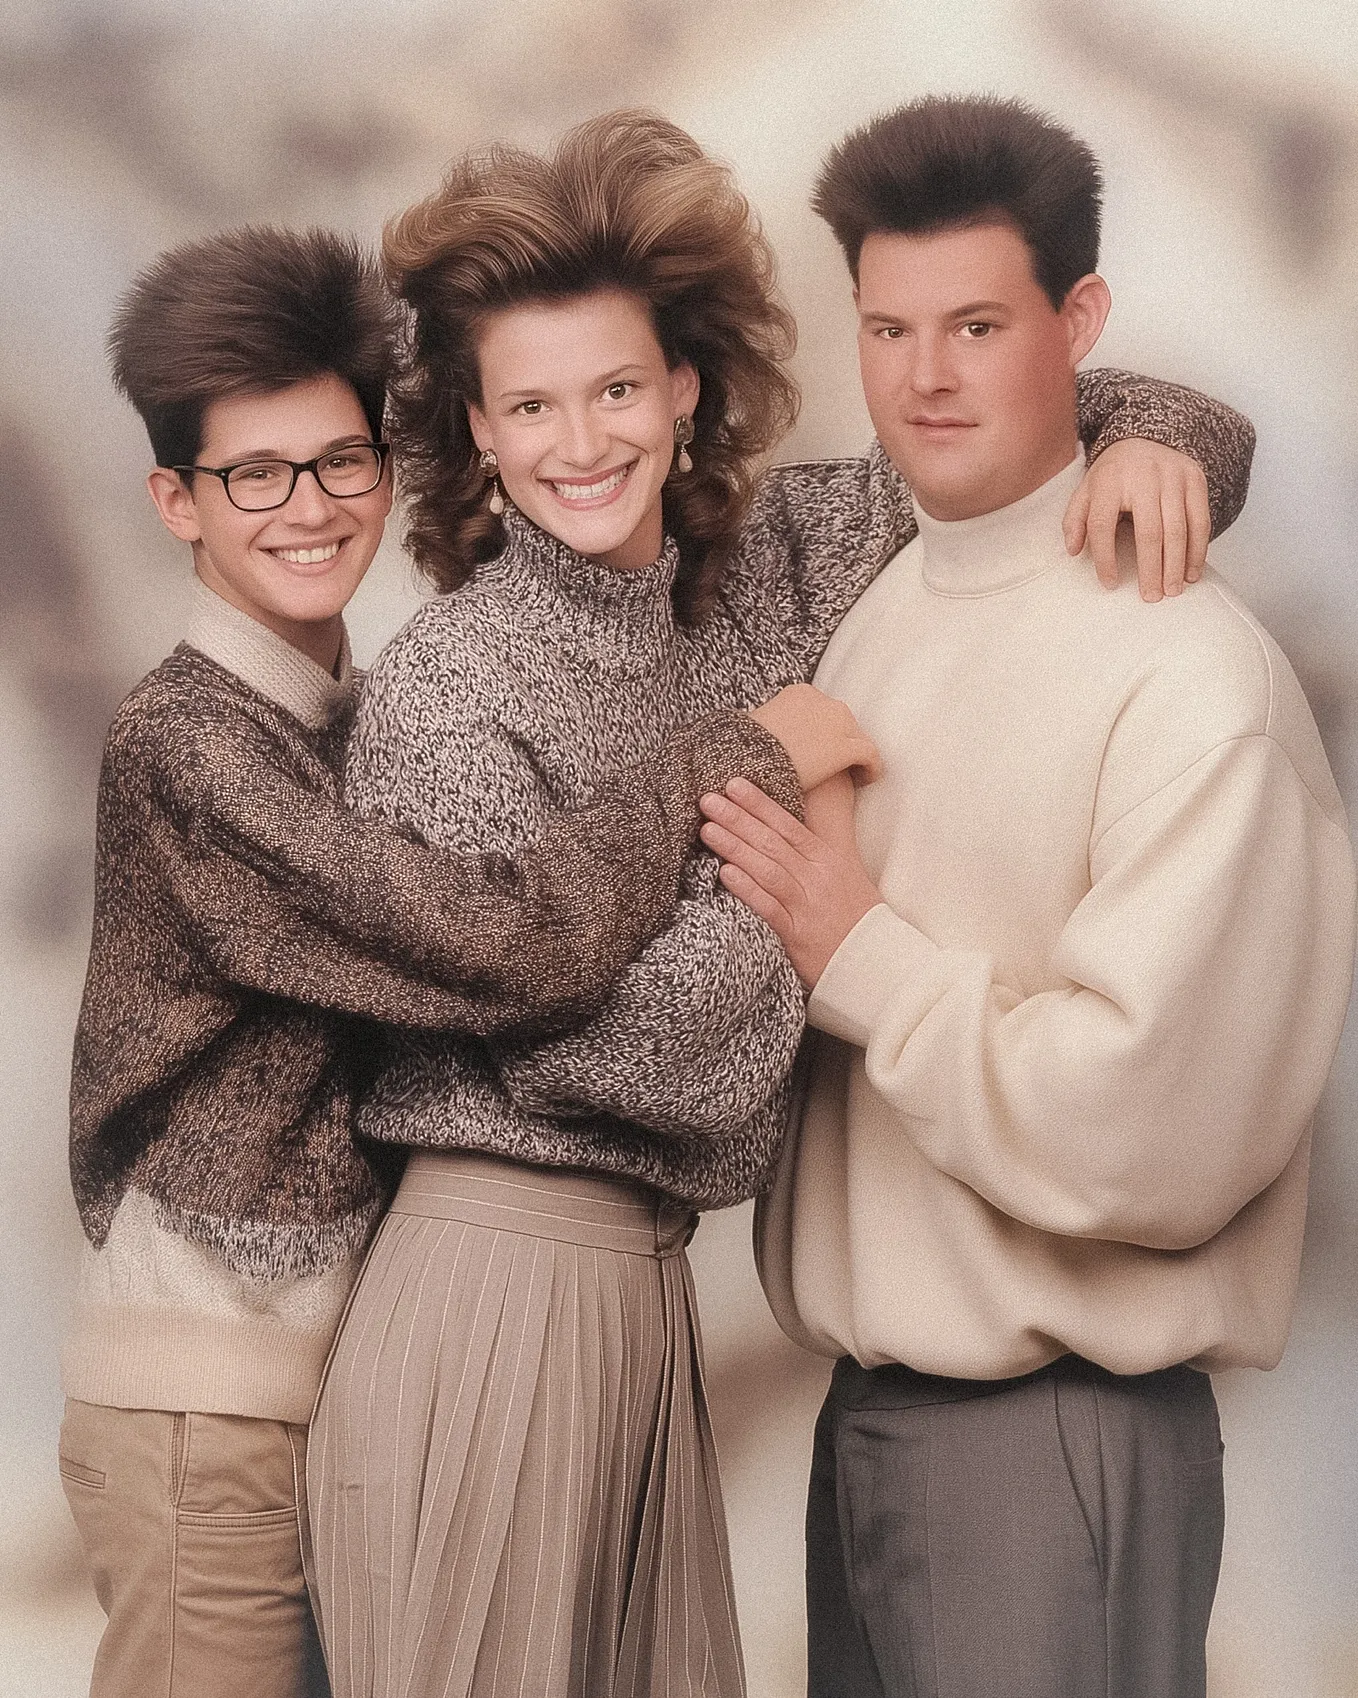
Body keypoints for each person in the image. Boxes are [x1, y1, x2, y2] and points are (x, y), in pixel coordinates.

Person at [306, 111, 1257, 1698]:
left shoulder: (765, 565)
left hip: (641, 1299)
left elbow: (1002, 427)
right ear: (473, 431)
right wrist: (789, 819)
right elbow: (610, 1058)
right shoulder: (447, 693)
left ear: (684, 389)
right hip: (484, 1292)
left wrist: (1164, 434)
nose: (581, 441)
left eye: (615, 387)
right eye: (527, 405)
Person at [58, 223, 868, 1698]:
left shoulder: (333, 710)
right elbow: (498, 947)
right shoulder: (189, 749)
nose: (307, 507)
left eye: (339, 461)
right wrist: (739, 763)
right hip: (209, 1405)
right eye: (254, 475)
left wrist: (1139, 432)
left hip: (327, 1362)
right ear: (177, 500)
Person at [697, 95, 1358, 1698]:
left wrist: (860, 952)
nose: (925, 375)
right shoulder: (867, 600)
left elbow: (1153, 1125)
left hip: (1054, 1437)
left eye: (978, 324)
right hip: (872, 1417)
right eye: (889, 327)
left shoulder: (1187, 675)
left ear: (1079, 323)